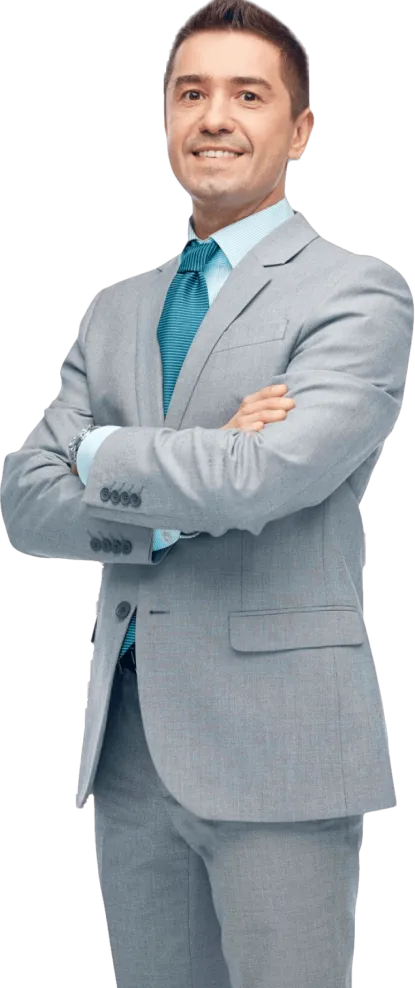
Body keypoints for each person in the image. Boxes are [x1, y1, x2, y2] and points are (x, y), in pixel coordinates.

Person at [1, 2, 412, 986]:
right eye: (191, 93)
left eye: (247, 95)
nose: (214, 117)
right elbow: (24, 503)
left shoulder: (356, 292)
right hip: (129, 751)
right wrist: (191, 475)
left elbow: (266, 476)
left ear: (300, 131)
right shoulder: (113, 310)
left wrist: (97, 451)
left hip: (277, 748)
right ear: (165, 120)